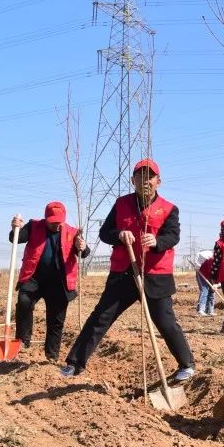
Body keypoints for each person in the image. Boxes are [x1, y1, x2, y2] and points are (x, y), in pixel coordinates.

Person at [61, 159, 196, 380]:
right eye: (140, 177)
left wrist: (157, 241)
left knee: (165, 321)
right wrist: (119, 235)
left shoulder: (169, 209)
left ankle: (187, 365)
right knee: (101, 317)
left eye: (149, 177)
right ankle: (74, 363)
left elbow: (173, 236)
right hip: (123, 272)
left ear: (158, 181)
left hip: (155, 273)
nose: (145, 181)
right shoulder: (121, 203)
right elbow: (105, 233)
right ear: (132, 180)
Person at [8, 202, 90, 361]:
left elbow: (84, 253)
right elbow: (16, 238)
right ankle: (23, 342)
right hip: (33, 278)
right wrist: (15, 228)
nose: (56, 225)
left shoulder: (73, 233)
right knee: (24, 303)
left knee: (56, 320)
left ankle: (51, 356)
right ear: (45, 218)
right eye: (52, 222)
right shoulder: (33, 226)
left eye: (59, 222)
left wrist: (83, 246)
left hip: (59, 282)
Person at [194, 248, 216, 316]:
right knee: (205, 290)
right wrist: (214, 284)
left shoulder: (221, 263)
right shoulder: (211, 259)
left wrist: (215, 285)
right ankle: (201, 309)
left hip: (210, 275)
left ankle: (210, 310)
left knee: (212, 292)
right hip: (202, 274)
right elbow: (211, 272)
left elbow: (216, 275)